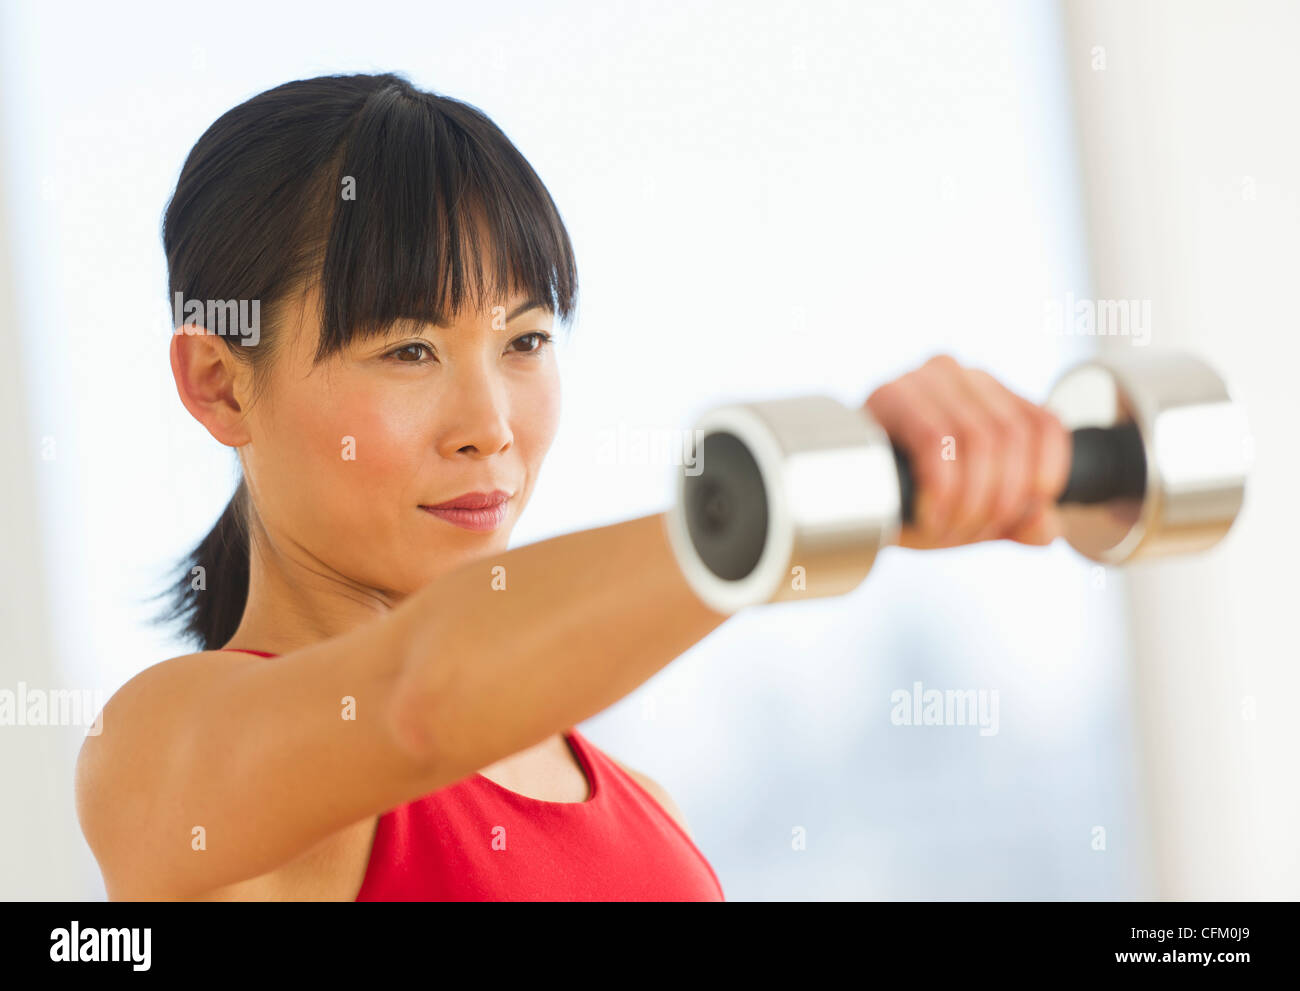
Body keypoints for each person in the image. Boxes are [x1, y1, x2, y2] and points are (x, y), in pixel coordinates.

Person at [73, 72, 1071, 901]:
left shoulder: (647, 808)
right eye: (409, 348)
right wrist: (806, 495)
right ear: (218, 385)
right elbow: (418, 698)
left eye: (524, 341)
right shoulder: (163, 751)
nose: (490, 428)